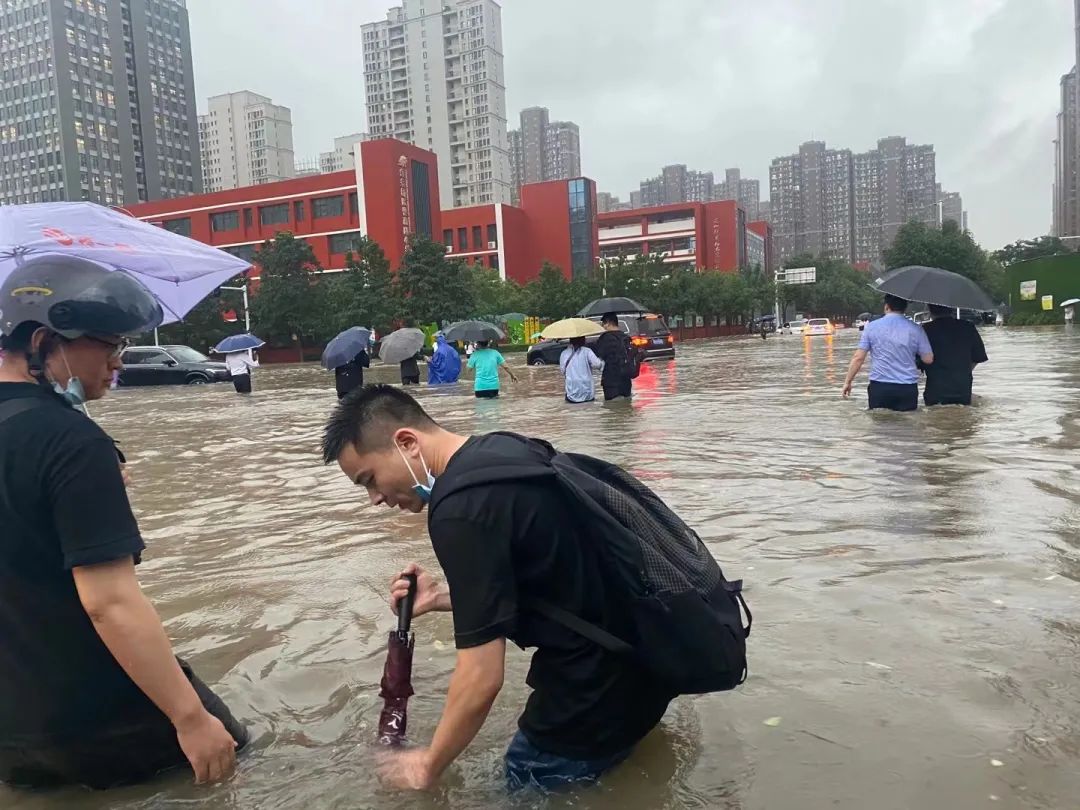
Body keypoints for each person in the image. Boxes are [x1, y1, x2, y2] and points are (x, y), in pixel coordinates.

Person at [321, 386, 675, 792]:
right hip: (649, 662)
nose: (375, 499)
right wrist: (443, 599)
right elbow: (560, 580)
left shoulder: (459, 510)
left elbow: (482, 676)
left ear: (406, 443)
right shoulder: (505, 450)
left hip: (592, 691)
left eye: (370, 479)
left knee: (524, 782)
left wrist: (427, 764)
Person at [0, 256, 246, 790]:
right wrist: (188, 718)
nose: (119, 360)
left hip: (13, 730)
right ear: (45, 342)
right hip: (103, 715)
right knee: (242, 768)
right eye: (108, 344)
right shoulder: (71, 442)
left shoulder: (69, 443)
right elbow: (107, 601)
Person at [841, 294, 934, 412]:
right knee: (908, 426)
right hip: (907, 388)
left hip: (880, 387)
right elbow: (928, 359)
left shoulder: (871, 327)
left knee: (880, 425)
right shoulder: (916, 329)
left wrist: (847, 382)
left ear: (886, 306)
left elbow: (858, 358)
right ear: (905, 308)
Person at [919, 304, 988, 407]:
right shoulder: (968, 327)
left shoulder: (925, 330)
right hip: (962, 389)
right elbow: (979, 357)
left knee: (934, 419)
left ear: (930, 311)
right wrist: (963, 370)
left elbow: (919, 362)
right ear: (951, 309)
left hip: (935, 389)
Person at [594, 313, 634, 401]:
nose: (603, 326)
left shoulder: (605, 338)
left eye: (603, 323)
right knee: (626, 408)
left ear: (608, 322)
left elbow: (600, 354)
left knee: (612, 409)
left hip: (611, 382)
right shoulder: (626, 337)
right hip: (626, 381)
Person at [559, 337, 603, 403]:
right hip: (587, 391)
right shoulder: (587, 351)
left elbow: (562, 371)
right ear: (583, 340)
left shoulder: (564, 353)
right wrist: (601, 360)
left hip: (572, 390)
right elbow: (597, 364)